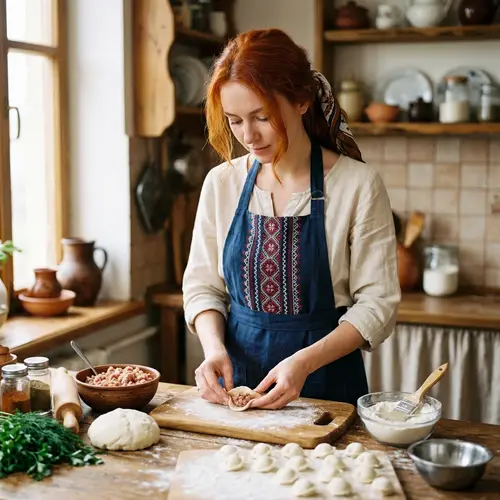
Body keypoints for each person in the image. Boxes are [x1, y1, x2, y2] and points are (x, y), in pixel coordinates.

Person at [182, 28, 400, 410]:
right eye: (234, 120)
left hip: (326, 386)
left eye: (261, 116)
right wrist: (213, 348)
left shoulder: (358, 184)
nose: (248, 135)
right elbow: (203, 287)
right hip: (239, 386)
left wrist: (304, 362)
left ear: (301, 100)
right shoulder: (222, 183)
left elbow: (378, 304)